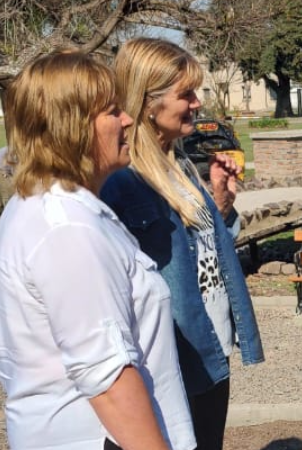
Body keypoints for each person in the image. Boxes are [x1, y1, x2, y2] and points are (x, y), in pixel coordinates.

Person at [0, 51, 195, 450]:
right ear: (73, 127)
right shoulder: (67, 227)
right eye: (113, 112)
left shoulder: (53, 206)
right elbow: (109, 377)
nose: (129, 120)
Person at [100, 38, 264, 450]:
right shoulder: (122, 182)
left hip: (210, 348)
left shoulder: (180, 165)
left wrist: (221, 201)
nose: (197, 103)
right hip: (174, 359)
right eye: (186, 94)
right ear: (148, 101)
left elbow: (205, 250)